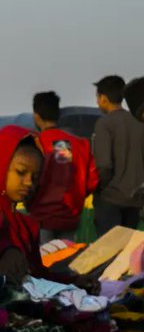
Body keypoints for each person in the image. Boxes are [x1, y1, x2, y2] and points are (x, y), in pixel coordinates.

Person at [0, 126, 97, 291]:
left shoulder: (23, 225)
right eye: (21, 172)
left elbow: (38, 276)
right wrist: (2, 253)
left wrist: (72, 282)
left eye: (35, 177)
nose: (29, 182)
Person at [28, 91, 98, 242]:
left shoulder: (33, 144)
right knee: (65, 260)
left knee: (42, 261)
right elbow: (92, 180)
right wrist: (76, 196)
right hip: (69, 217)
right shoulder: (79, 144)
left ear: (36, 116)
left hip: (42, 218)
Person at [90, 75, 144, 234]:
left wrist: (104, 189)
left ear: (103, 98)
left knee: (109, 251)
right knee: (128, 252)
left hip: (111, 198)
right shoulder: (138, 121)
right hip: (135, 198)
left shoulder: (104, 124)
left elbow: (103, 165)